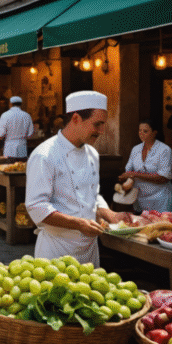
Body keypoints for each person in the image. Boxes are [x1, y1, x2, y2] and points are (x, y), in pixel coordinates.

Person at [26, 91, 132, 265]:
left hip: (89, 251)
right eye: (97, 124)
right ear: (76, 118)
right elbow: (37, 206)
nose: (102, 131)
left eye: (103, 124)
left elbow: (91, 195)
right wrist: (79, 224)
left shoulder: (92, 153)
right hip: (57, 251)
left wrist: (109, 214)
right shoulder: (45, 155)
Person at [121, 119, 172, 213]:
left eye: (145, 131)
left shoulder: (164, 150)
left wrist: (135, 174)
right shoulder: (136, 149)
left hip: (161, 201)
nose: (141, 133)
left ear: (154, 132)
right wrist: (127, 180)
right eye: (140, 130)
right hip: (141, 201)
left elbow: (163, 178)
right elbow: (129, 171)